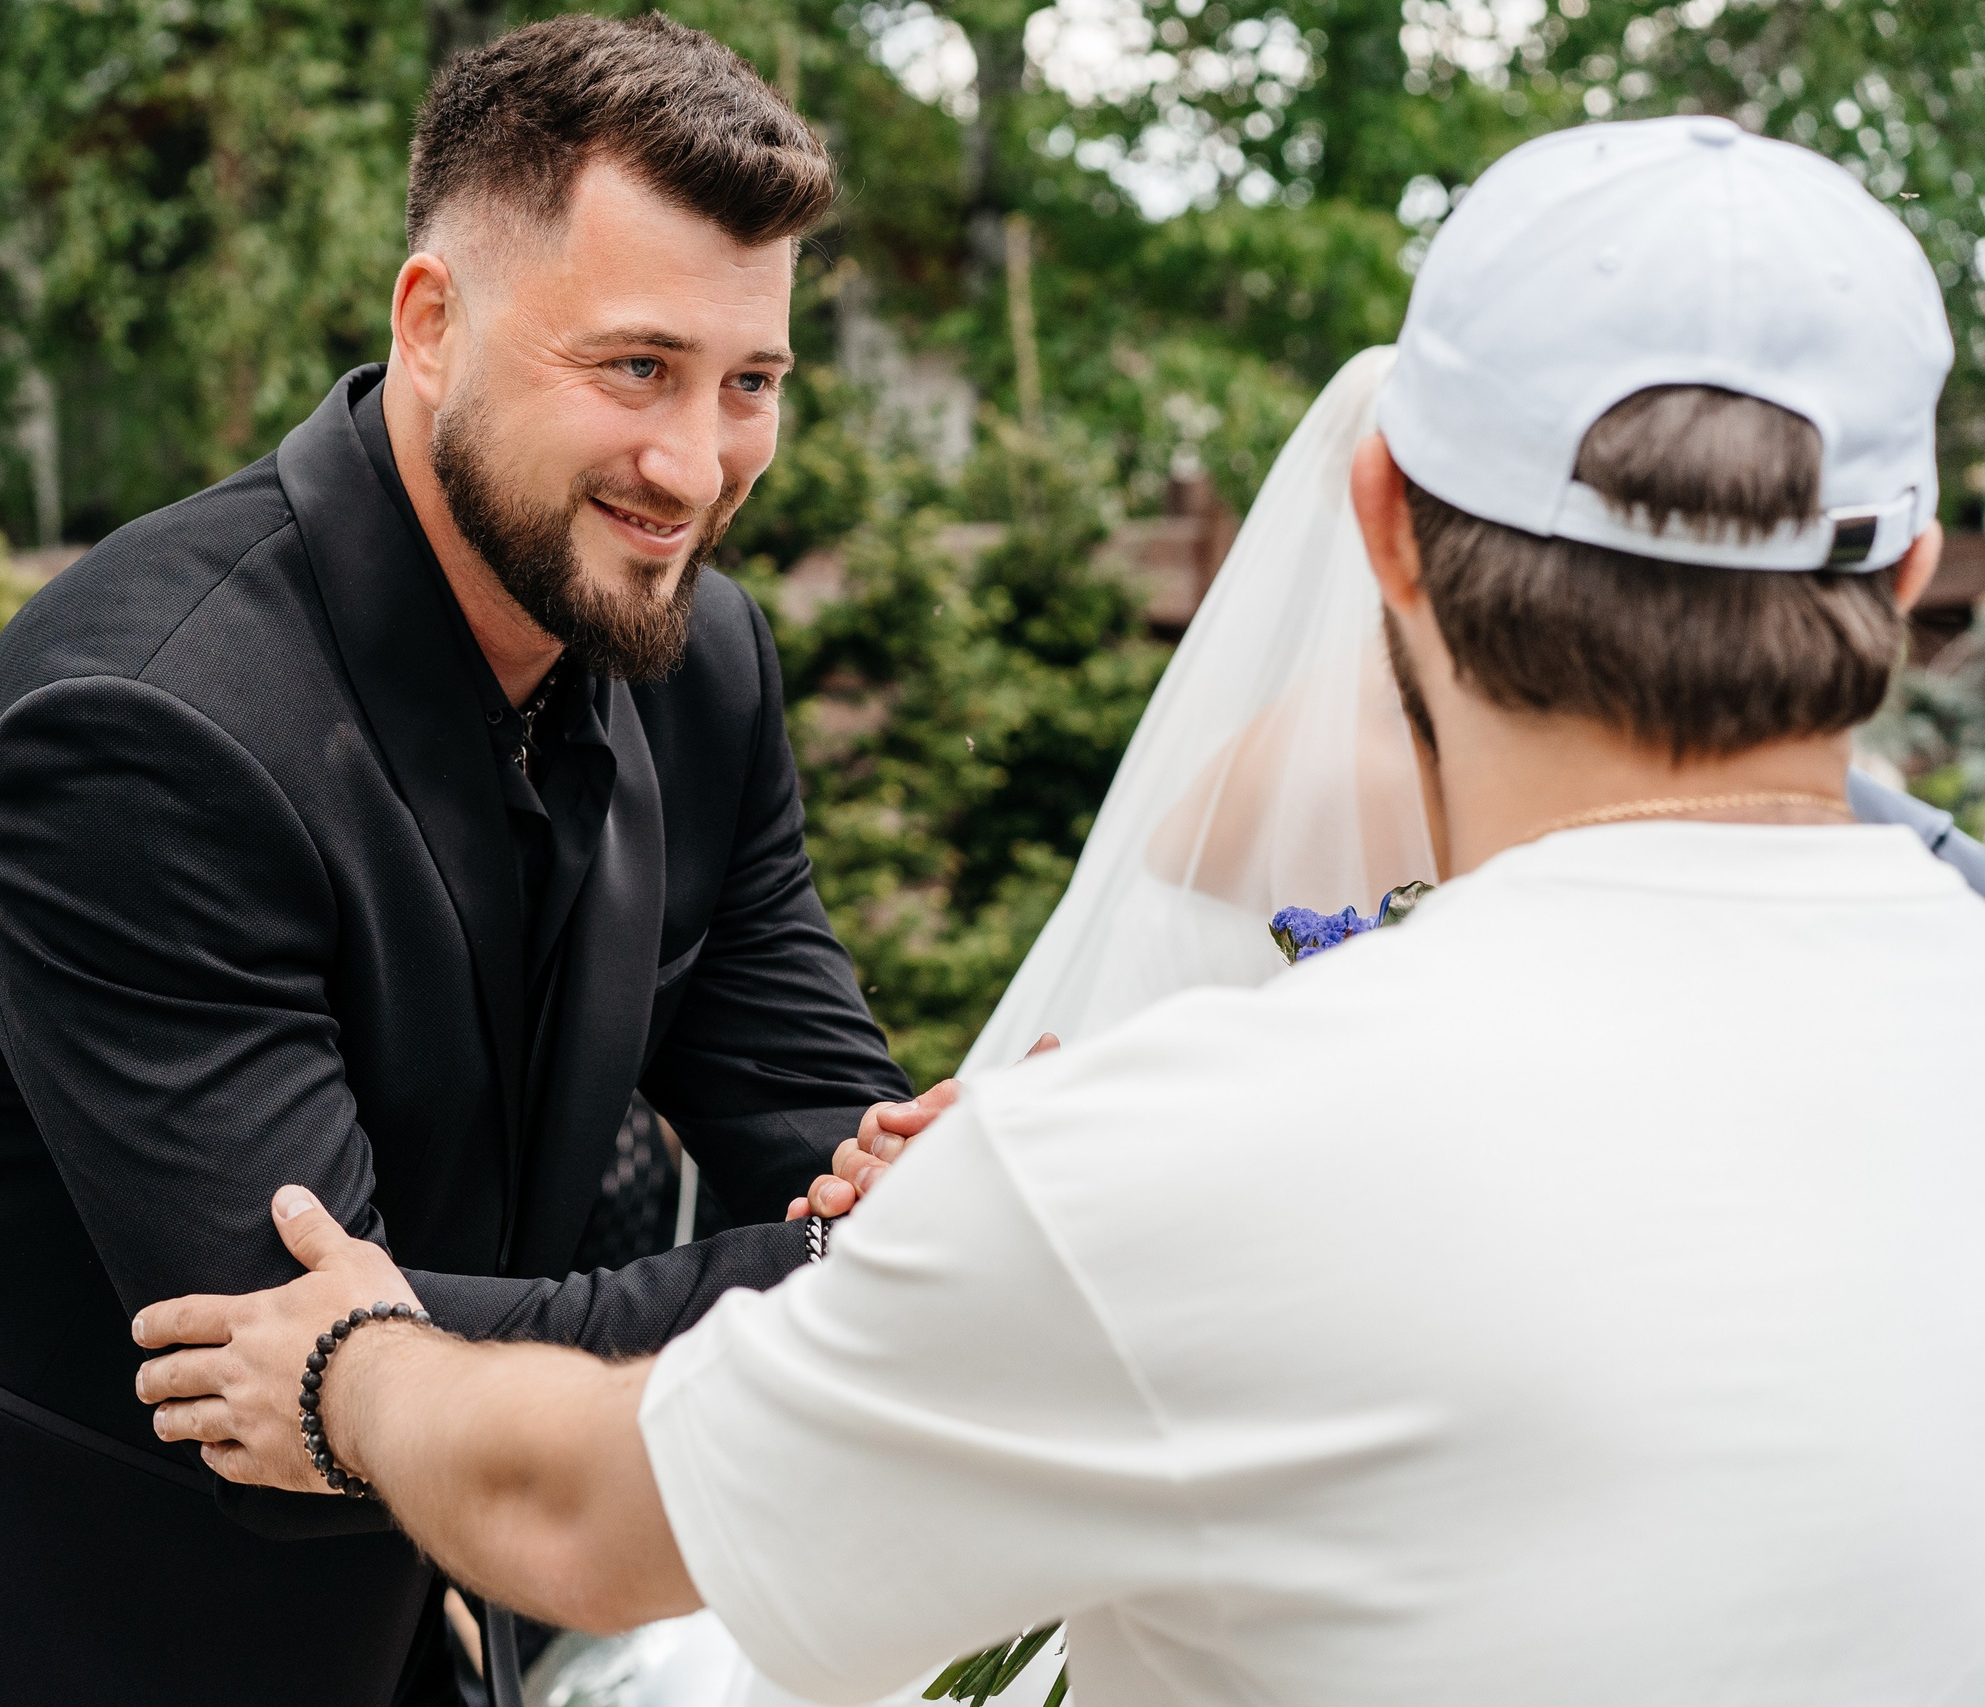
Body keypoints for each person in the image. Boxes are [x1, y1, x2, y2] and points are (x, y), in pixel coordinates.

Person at [137, 115, 1985, 1704]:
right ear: (1904, 572)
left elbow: (586, 1518)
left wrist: (357, 1378)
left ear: (1387, 524)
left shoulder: (1204, 1150)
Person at [0, 17, 920, 1704]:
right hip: (13, 1624)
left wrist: (934, 1191)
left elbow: (814, 1118)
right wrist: (873, 1276)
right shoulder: (138, 725)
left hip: (397, 1609)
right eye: (636, 368)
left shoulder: (701, 663)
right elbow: (284, 1363)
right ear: (433, 323)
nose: (696, 468)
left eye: (748, 382)